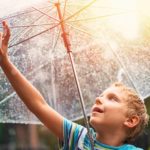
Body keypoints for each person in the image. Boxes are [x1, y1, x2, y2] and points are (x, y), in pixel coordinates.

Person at [0, 21, 149, 150]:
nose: (98, 99)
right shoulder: (78, 137)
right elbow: (38, 105)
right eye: (101, 96)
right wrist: (4, 62)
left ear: (130, 120)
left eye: (112, 98)